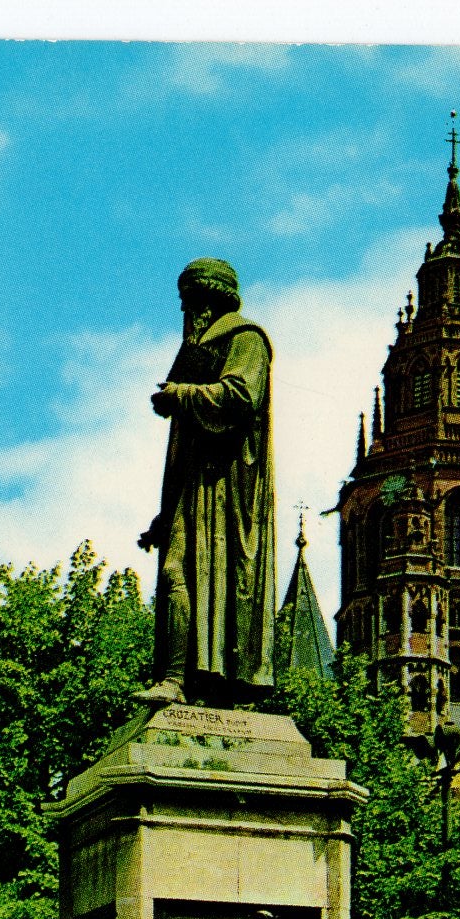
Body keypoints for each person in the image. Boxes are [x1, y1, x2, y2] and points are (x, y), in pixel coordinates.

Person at [138, 258, 276, 707]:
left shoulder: (246, 338)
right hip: (192, 490)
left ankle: (182, 680)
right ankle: (179, 680)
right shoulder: (195, 350)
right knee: (177, 575)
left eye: (191, 301)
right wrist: (163, 518)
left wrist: (182, 394)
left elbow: (240, 396)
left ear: (212, 300)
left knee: (185, 575)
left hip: (226, 491)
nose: (186, 312)